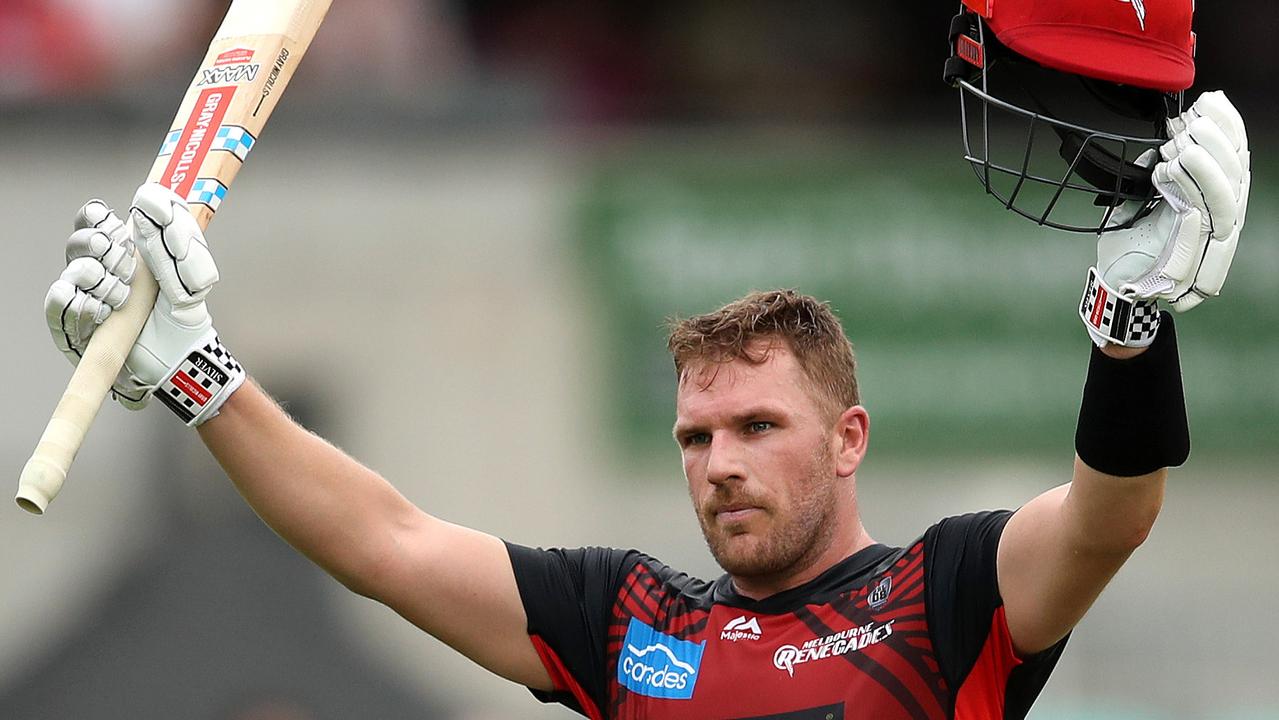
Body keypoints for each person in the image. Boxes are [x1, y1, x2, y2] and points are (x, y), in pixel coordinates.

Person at [42, 2, 1249, 719]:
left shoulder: (943, 596)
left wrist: (1131, 325)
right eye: (696, 438)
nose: (719, 463)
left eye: (758, 428)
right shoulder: (625, 623)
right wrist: (199, 379)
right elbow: (386, 544)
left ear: (848, 439)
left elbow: (1111, 517)